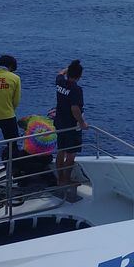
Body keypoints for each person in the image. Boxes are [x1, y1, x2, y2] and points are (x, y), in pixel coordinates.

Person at [54, 59, 88, 201]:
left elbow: (60, 73)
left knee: (61, 151)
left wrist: (68, 68)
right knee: (71, 154)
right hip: (71, 126)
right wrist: (82, 123)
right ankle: (66, 180)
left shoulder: (60, 82)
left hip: (59, 123)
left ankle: (60, 179)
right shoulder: (76, 89)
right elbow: (75, 109)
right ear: (79, 75)